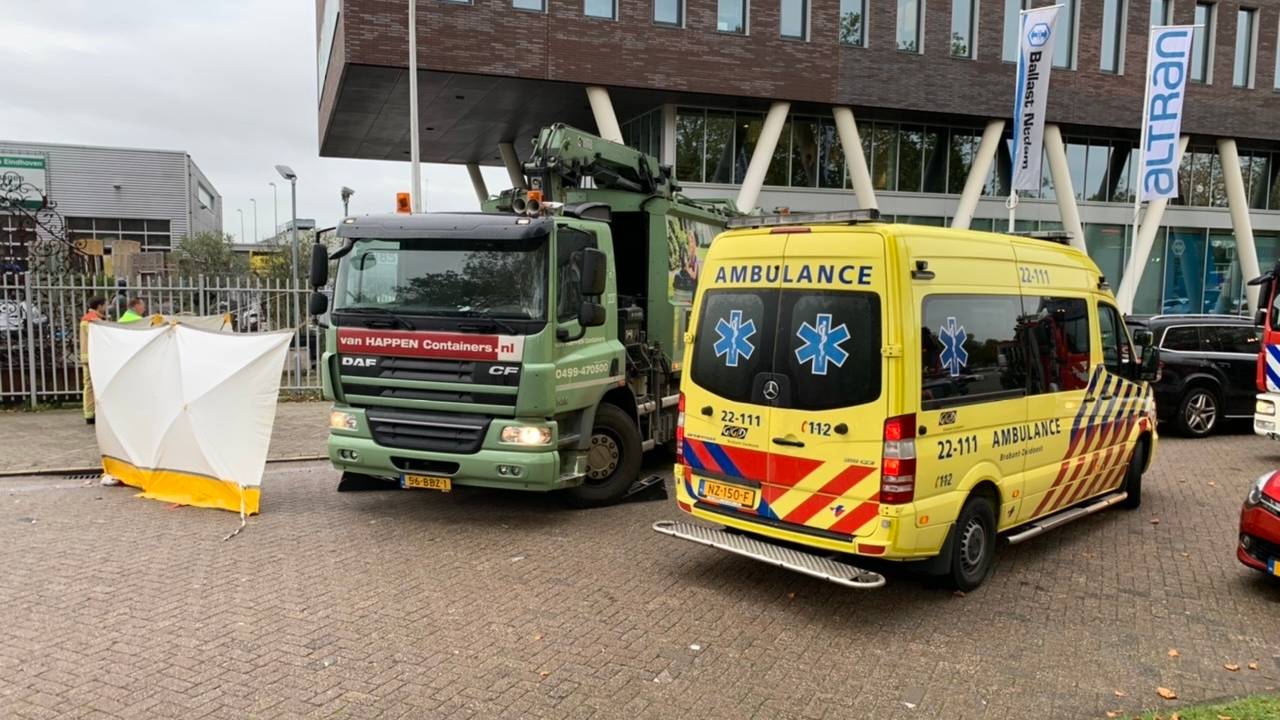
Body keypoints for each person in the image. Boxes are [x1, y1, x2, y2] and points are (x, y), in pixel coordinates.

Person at [79, 297, 106, 424]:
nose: (105, 308)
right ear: (99, 306)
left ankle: (89, 413)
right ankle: (92, 413)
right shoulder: (94, 320)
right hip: (94, 357)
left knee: (88, 385)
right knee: (95, 385)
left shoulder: (86, 318)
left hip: (86, 356)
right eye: (104, 305)